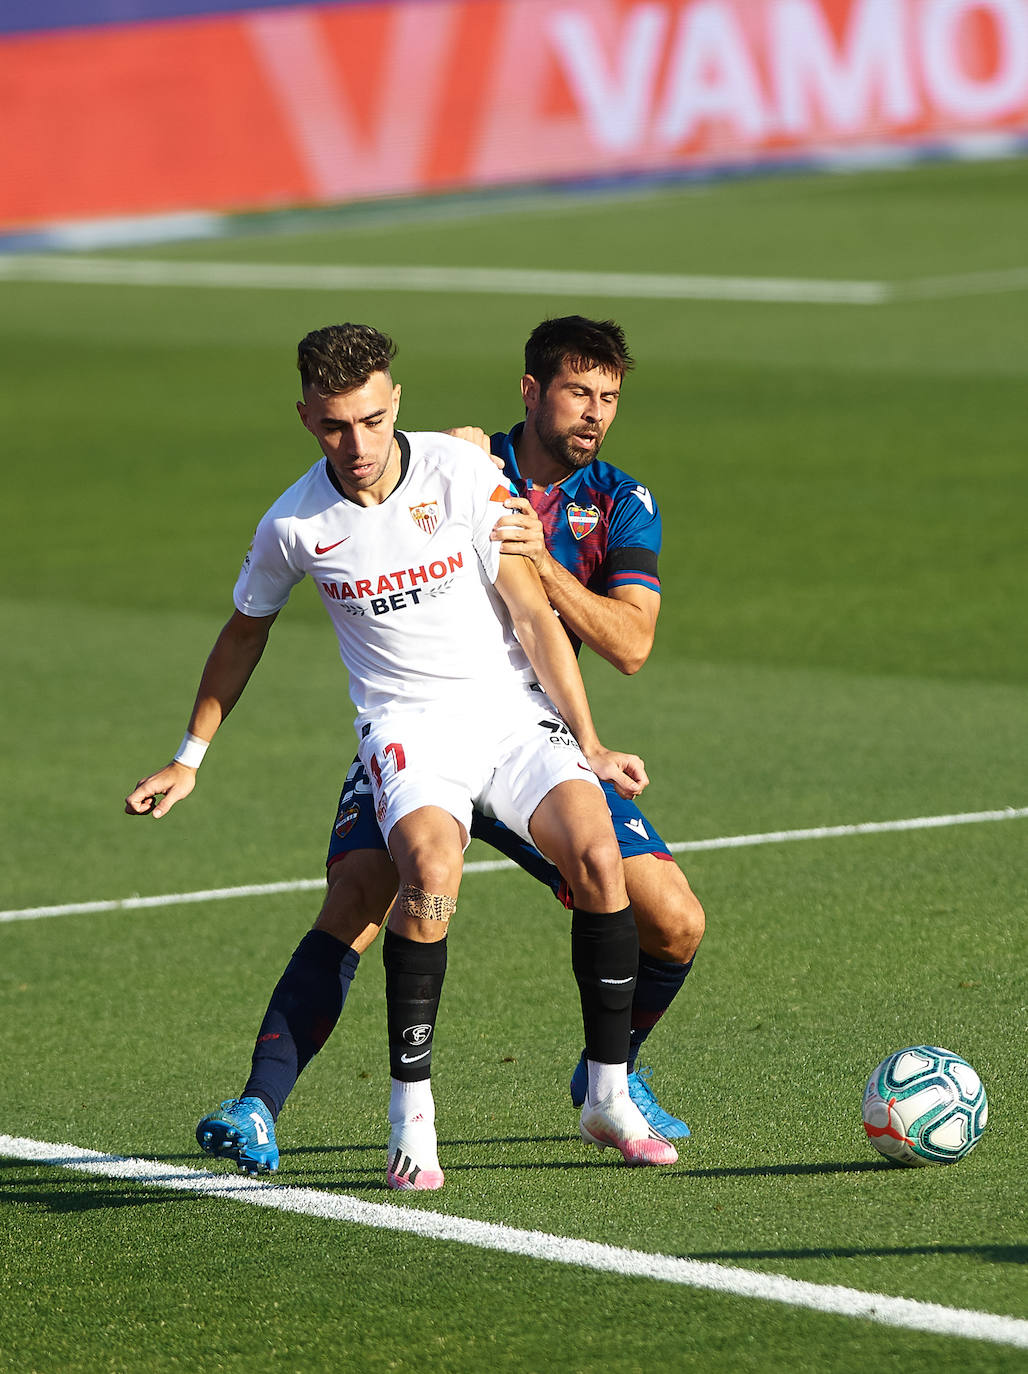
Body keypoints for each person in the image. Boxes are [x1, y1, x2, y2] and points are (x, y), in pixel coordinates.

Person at [126, 322, 678, 1190]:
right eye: (338, 425)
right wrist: (190, 756)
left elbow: (534, 617)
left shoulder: (464, 474)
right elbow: (243, 634)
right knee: (422, 875)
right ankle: (410, 1121)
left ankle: (606, 1096)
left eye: (375, 420)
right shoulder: (294, 524)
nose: (359, 444)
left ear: (396, 407)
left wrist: (593, 742)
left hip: (508, 712)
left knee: (601, 857)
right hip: (407, 729)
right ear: (308, 417)